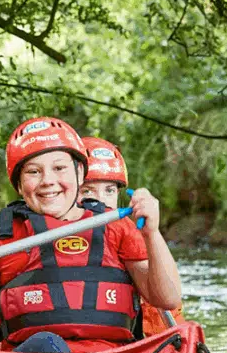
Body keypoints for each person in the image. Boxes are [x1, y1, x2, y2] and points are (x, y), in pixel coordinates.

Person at [0, 117, 182, 353]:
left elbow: (167, 299)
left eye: (59, 168)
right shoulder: (4, 236)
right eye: (33, 172)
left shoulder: (117, 227)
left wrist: (151, 234)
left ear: (79, 173)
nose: (48, 181)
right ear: (18, 185)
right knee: (47, 344)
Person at [79, 136, 185, 336]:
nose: (101, 200)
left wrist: (151, 234)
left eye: (109, 190)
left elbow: (169, 299)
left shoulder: (124, 231)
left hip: (119, 349)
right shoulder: (39, 227)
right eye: (87, 191)